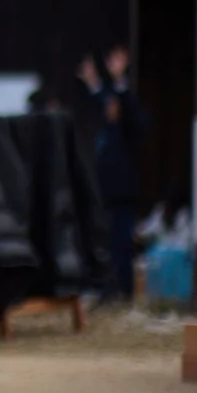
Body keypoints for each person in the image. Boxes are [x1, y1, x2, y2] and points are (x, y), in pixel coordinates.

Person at [76, 47, 144, 302]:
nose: (110, 108)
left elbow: (129, 109)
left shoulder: (126, 132)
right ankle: (109, 289)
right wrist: (93, 81)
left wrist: (119, 80)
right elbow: (101, 100)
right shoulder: (107, 131)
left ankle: (124, 291)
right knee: (105, 245)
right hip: (105, 194)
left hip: (122, 194)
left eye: (114, 105)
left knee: (122, 246)